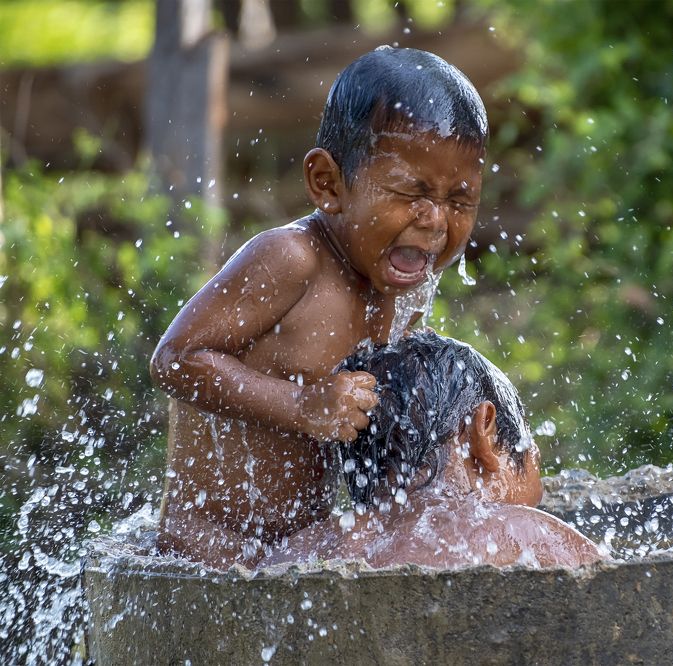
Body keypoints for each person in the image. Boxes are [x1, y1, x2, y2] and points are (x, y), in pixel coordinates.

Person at [150, 47, 491, 568]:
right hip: (207, 552)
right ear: (328, 184)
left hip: (296, 553)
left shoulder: (399, 289)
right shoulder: (291, 260)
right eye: (410, 192)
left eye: (460, 201)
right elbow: (175, 358)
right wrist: (302, 406)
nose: (436, 221)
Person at [261, 332, 603, 570]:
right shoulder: (523, 535)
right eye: (533, 456)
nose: (538, 494)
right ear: (483, 430)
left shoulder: (297, 551)